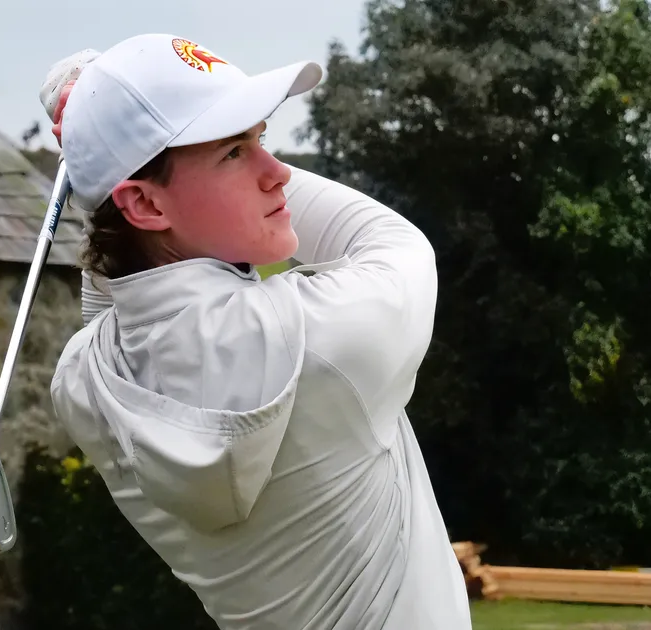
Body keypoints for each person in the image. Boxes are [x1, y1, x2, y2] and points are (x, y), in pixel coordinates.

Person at [41, 33, 472, 630]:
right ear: (144, 204)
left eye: (259, 139)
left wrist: (99, 147)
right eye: (233, 153)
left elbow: (113, 292)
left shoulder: (84, 383)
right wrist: (94, 117)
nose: (276, 173)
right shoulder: (324, 339)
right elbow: (395, 243)